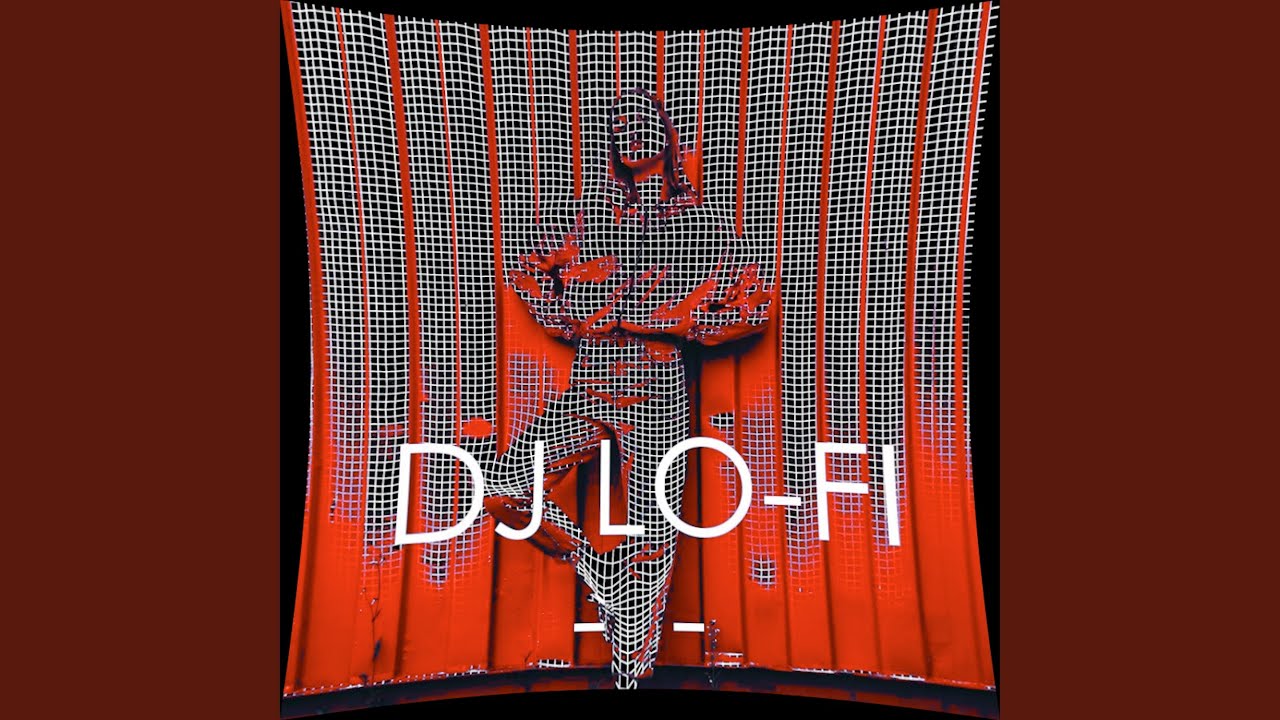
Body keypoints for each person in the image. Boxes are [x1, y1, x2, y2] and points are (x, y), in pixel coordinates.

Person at [484, 88, 773, 688]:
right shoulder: (583, 217)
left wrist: (674, 321)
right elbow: (524, 268)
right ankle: (599, 571)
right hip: (591, 381)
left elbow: (755, 304)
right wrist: (568, 321)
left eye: (643, 122)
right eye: (619, 127)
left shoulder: (702, 223)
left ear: (666, 138)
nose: (630, 132)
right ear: (610, 147)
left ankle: (629, 681)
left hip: (660, 387)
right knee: (505, 488)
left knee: (653, 541)